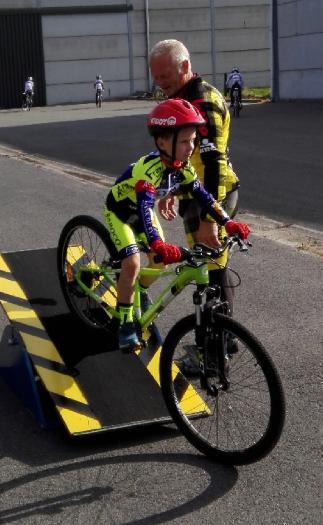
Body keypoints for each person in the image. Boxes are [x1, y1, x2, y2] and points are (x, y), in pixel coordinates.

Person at [104, 98, 250, 351]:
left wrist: (227, 222)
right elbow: (144, 207)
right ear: (162, 142)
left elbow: (204, 197)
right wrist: (157, 243)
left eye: (193, 140)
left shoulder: (182, 168)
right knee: (133, 263)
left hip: (141, 214)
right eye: (184, 141)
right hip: (121, 214)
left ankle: (137, 291)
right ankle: (125, 322)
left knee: (158, 264)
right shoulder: (147, 170)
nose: (190, 147)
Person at [149, 40, 240, 315]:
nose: (160, 84)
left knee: (211, 272)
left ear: (185, 66)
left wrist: (209, 220)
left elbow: (214, 164)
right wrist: (170, 190)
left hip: (214, 195)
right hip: (195, 193)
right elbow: (185, 154)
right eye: (156, 78)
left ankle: (216, 350)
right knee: (209, 272)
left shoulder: (203, 102)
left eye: (165, 76)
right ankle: (218, 345)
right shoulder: (181, 98)